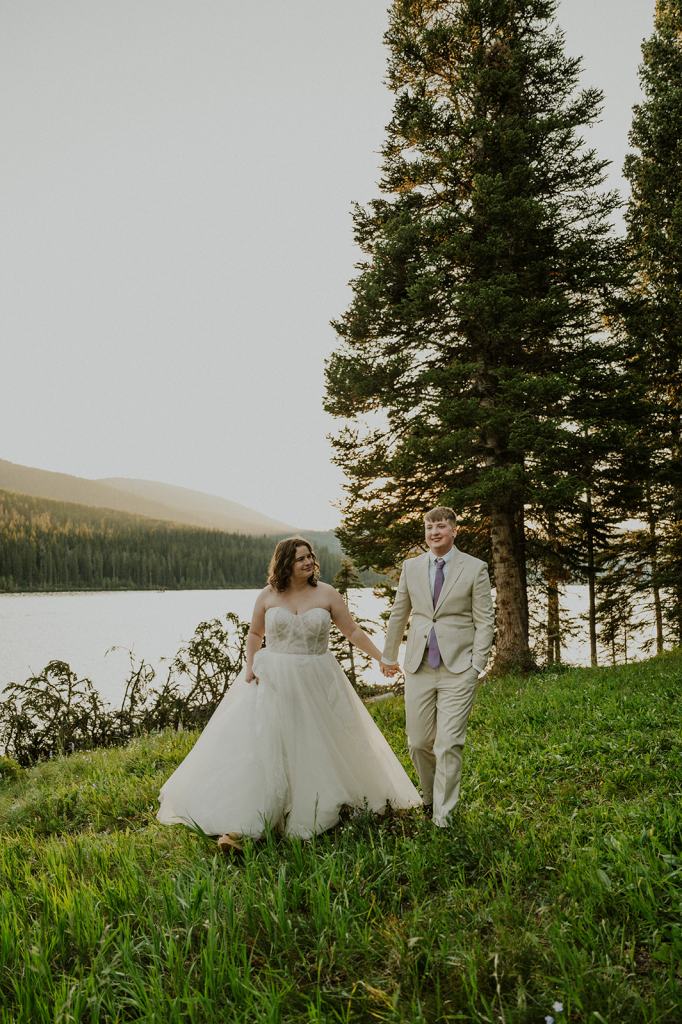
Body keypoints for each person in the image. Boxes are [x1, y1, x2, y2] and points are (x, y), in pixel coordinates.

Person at [157, 537, 421, 847]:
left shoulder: (327, 593)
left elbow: (352, 630)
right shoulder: (268, 595)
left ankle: (314, 804)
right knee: (269, 744)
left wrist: (382, 658)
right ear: (285, 563)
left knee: (316, 741)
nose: (308, 562)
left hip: (317, 676)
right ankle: (248, 824)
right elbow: (255, 633)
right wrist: (250, 665)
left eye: (310, 556)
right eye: (300, 559)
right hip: (274, 677)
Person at [380, 507, 495, 827]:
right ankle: (430, 798)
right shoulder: (411, 567)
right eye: (429, 527)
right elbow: (399, 613)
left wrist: (476, 665)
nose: (434, 532)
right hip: (419, 667)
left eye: (441, 526)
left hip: (458, 668)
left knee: (448, 743)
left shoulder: (475, 568)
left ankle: (443, 816)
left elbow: (485, 620)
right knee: (418, 743)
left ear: (454, 530)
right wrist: (389, 656)